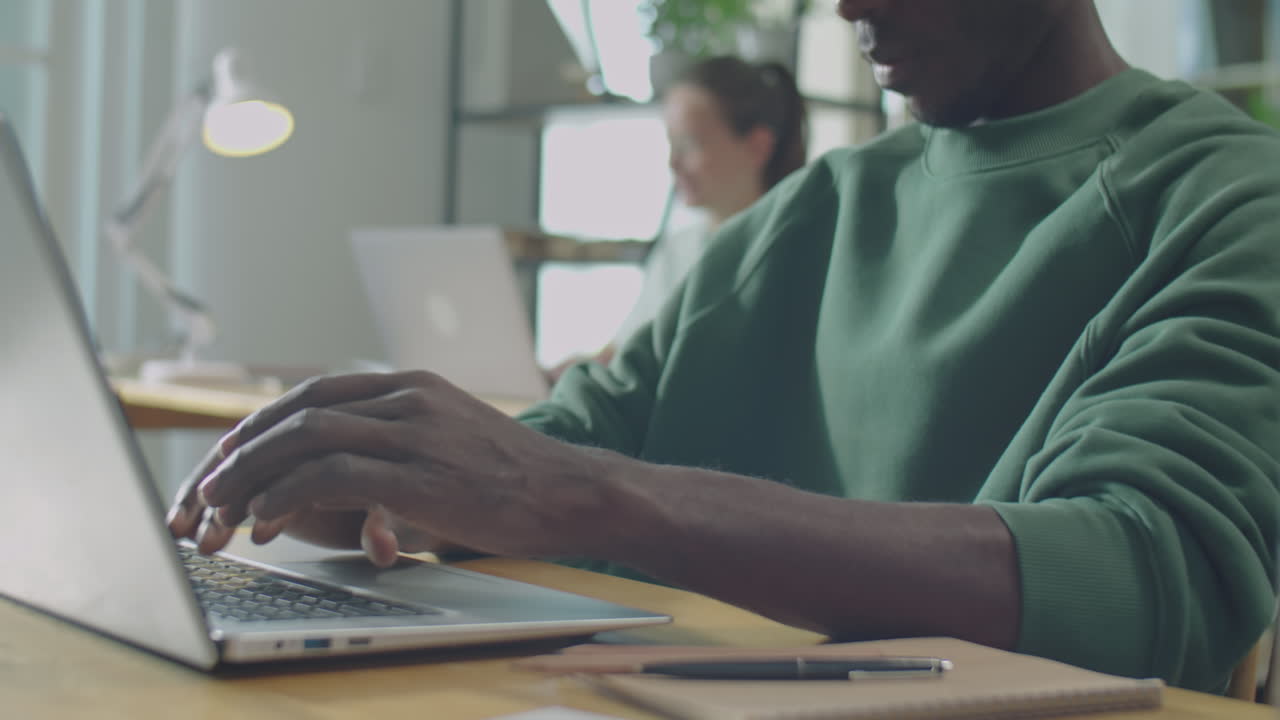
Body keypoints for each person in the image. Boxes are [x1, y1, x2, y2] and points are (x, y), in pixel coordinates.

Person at [169, 0, 1280, 695]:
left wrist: (596, 497)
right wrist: (384, 485)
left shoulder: (1225, 197)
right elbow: (579, 439)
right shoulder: (823, 208)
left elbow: (1143, 581)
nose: (845, 4)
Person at [548, 54, 809, 379]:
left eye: (689, 144)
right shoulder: (680, 248)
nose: (673, 163)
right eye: (671, 144)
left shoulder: (795, 254)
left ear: (758, 146)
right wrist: (578, 371)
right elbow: (623, 352)